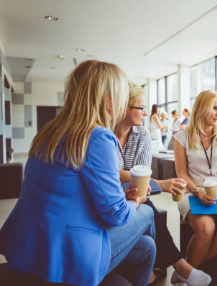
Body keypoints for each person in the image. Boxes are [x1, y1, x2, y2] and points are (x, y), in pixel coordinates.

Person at [0, 60, 156, 286]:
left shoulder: (48, 133)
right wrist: (136, 200)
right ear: (109, 101)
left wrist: (123, 198)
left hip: (29, 244)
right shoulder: (98, 137)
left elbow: (69, 192)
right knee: (147, 212)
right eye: (122, 97)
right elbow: (117, 215)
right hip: (66, 252)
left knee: (147, 247)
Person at [115, 81, 212, 286]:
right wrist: (159, 183)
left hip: (134, 194)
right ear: (124, 108)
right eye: (141, 108)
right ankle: (179, 267)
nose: (145, 113)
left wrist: (136, 182)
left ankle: (168, 268)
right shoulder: (104, 135)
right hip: (113, 195)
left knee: (145, 204)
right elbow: (108, 175)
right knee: (148, 209)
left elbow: (140, 177)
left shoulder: (142, 135)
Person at [173, 90, 217, 270]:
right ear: (202, 108)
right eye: (214, 108)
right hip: (193, 190)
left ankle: (188, 270)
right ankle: (190, 273)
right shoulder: (182, 137)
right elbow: (182, 174)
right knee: (206, 228)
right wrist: (197, 191)